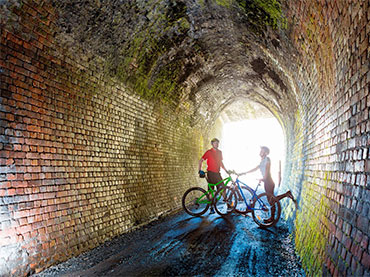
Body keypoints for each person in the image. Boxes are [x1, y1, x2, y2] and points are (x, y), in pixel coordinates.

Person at [244, 146, 296, 222]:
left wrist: (263, 178)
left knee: (271, 201)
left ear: (265, 153)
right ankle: (286, 195)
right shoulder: (262, 161)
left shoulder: (267, 159)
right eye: (260, 151)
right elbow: (255, 168)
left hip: (269, 182)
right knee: (271, 200)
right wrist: (245, 173)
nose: (260, 152)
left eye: (262, 151)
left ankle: (272, 217)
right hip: (266, 182)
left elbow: (267, 171)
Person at [198, 138, 229, 214]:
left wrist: (226, 170)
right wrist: (200, 170)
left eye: (217, 143)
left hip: (218, 173)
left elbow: (221, 163)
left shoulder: (220, 152)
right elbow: (201, 160)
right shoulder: (209, 152)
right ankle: (211, 207)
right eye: (215, 143)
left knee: (223, 189)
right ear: (212, 144)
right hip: (210, 173)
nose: (217, 144)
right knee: (211, 191)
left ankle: (228, 205)